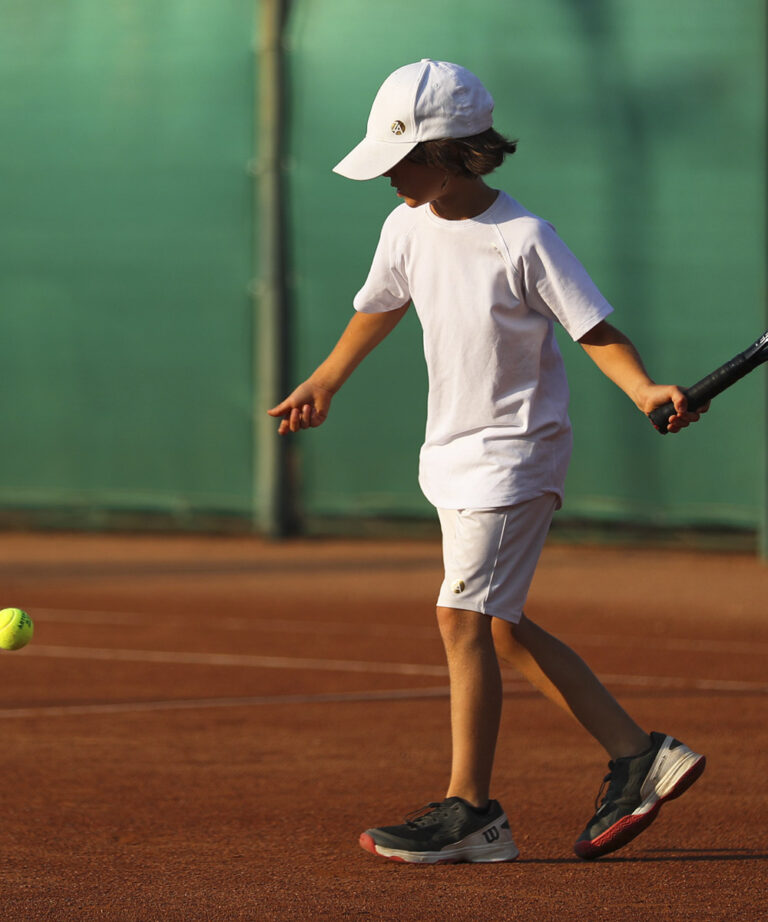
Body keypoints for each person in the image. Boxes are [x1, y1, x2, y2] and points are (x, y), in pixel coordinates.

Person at [268, 59, 706, 863]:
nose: (390, 175)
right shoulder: (405, 224)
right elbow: (381, 306)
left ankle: (471, 810)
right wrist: (326, 380)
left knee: (459, 619)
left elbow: (594, 329)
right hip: (452, 457)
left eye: (404, 160)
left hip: (516, 456)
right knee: (496, 631)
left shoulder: (524, 238)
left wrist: (644, 388)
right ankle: (639, 754)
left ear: (457, 151)